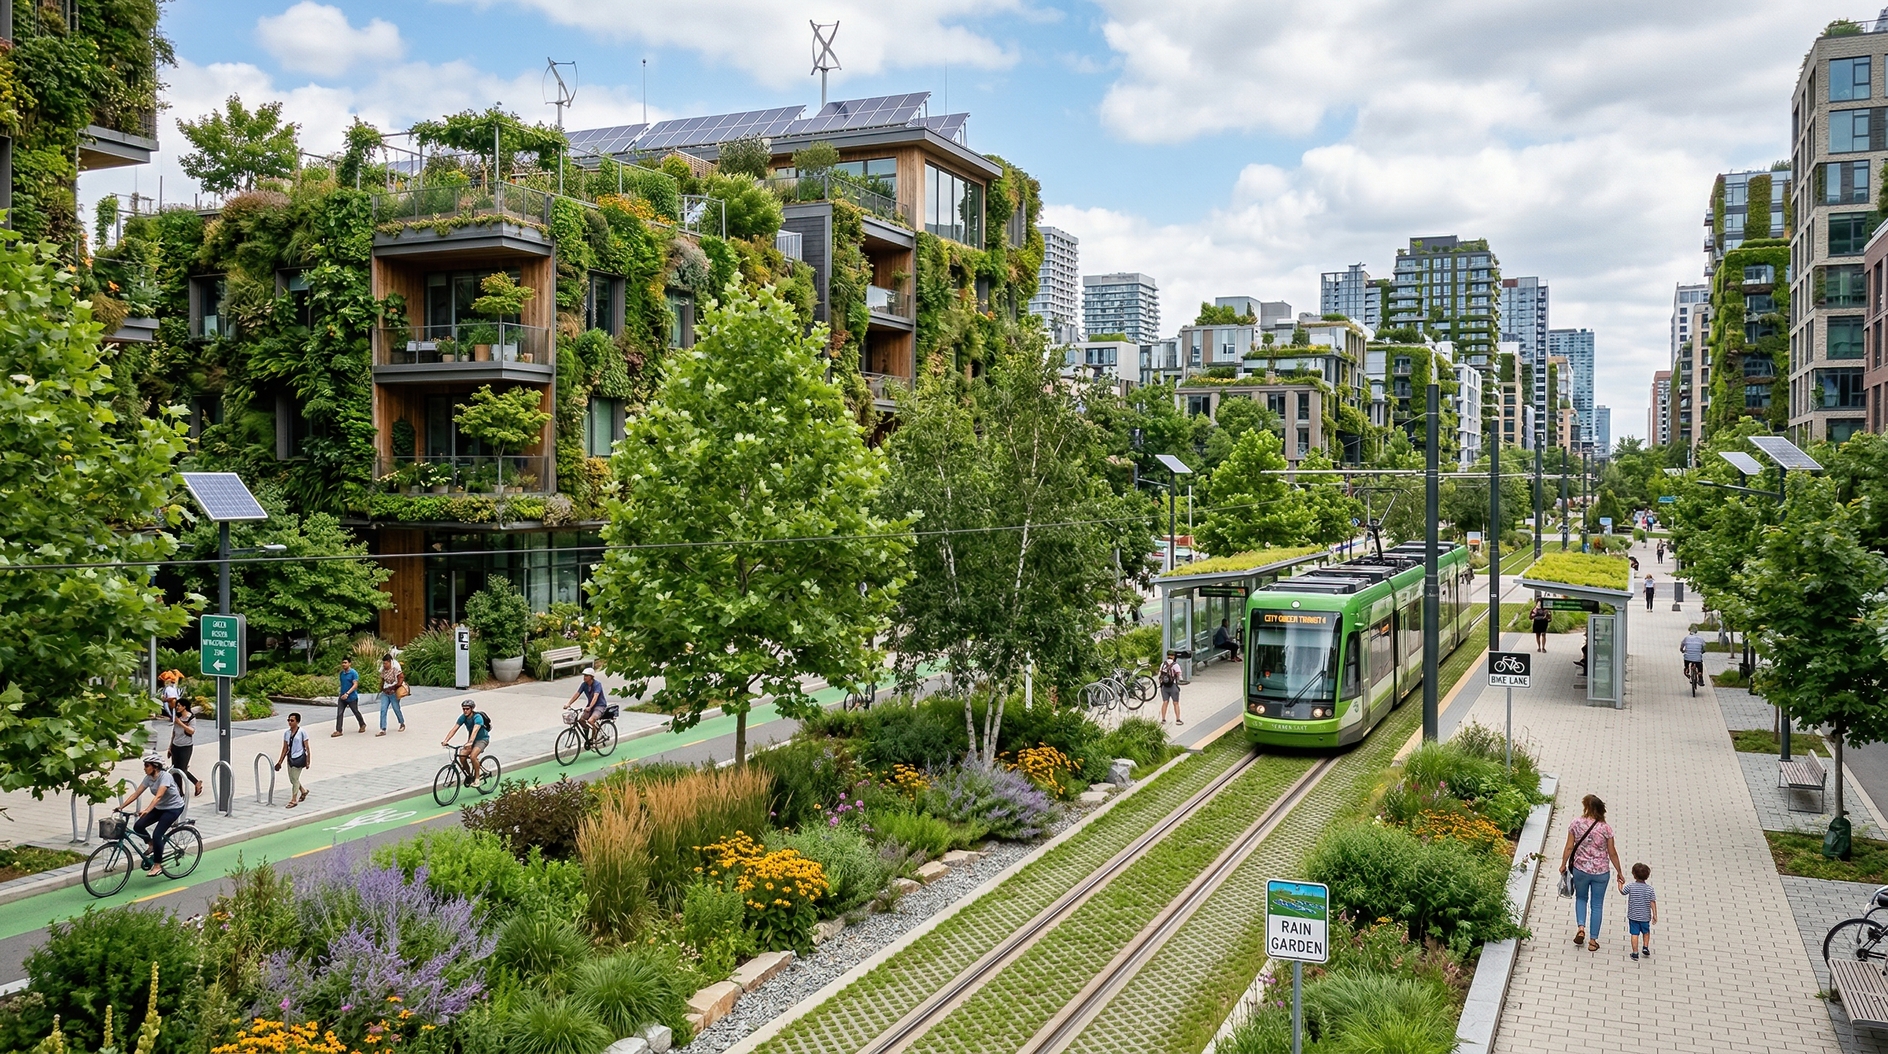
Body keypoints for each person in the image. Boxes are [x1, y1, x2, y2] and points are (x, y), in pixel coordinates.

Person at [1559, 793, 1625, 951]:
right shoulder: (1606, 829)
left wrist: (1563, 864)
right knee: (1597, 905)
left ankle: (1581, 928)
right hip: (1601, 872)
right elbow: (1612, 852)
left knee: (1581, 898)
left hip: (1580, 869)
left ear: (1586, 807)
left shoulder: (1576, 823)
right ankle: (1593, 941)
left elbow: (1569, 846)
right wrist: (1619, 872)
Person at [117, 755, 185, 877]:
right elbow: (136, 793)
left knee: (157, 834)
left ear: (155, 767)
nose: (144, 768)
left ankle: (157, 865)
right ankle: (152, 845)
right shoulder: (148, 778)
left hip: (173, 808)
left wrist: (147, 810)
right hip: (160, 808)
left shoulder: (165, 777)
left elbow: (158, 796)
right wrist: (121, 807)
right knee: (138, 826)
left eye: (147, 765)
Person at [443, 700, 490, 779]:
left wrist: (470, 742)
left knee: (473, 756)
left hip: (482, 740)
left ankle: (477, 778)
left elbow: (475, 731)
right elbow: (454, 729)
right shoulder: (463, 717)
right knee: (462, 756)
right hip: (471, 741)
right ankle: (470, 776)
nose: (465, 711)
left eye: (467, 709)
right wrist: (446, 740)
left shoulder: (478, 717)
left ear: (472, 709)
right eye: (463, 709)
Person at [167, 699, 204, 797]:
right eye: (177, 706)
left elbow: (192, 731)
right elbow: (174, 732)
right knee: (175, 770)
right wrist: (170, 747)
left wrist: (181, 724)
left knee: (182, 769)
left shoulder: (191, 717)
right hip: (176, 745)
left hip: (186, 746)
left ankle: (196, 783)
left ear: (184, 707)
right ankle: (180, 792)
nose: (177, 707)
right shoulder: (177, 717)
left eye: (179, 706)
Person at [273, 712, 311, 807]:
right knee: (293, 779)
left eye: (292, 720)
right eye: (288, 720)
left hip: (299, 758)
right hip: (290, 758)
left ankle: (294, 800)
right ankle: (304, 791)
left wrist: (308, 761)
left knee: (294, 779)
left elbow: (307, 747)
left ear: (297, 721)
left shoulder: (302, 732)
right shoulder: (287, 733)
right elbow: (285, 748)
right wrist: (280, 761)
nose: (290, 722)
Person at [1623, 862, 1657, 961]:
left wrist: (1619, 885)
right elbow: (1653, 902)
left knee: (1634, 934)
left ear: (1634, 874)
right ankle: (1645, 947)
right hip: (1645, 917)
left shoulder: (1631, 886)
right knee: (1646, 932)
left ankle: (1635, 953)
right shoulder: (1650, 889)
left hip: (1633, 916)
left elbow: (1623, 892)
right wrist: (1654, 914)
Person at [567, 668, 607, 741]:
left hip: (599, 706)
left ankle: (595, 730)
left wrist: (590, 707)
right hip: (590, 706)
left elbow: (595, 697)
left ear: (591, 677)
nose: (584, 677)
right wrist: (568, 703)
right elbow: (577, 694)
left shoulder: (597, 684)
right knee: (581, 720)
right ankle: (588, 735)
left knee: (590, 720)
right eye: (584, 675)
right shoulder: (584, 685)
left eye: (586, 675)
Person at [333, 658, 365, 737]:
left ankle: (362, 724)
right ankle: (338, 730)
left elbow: (355, 685)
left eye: (345, 662)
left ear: (350, 663)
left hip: (351, 697)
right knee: (339, 713)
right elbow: (342, 684)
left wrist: (347, 693)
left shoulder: (353, 673)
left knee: (355, 711)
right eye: (342, 663)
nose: (343, 664)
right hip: (342, 696)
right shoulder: (342, 674)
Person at [378, 653, 406, 736]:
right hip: (385, 693)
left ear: (390, 662)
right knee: (383, 709)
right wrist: (381, 688)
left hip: (394, 693)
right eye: (383, 663)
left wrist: (396, 686)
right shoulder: (383, 670)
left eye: (386, 663)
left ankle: (402, 723)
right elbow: (382, 680)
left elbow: (401, 678)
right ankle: (383, 728)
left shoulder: (395, 670)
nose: (384, 665)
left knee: (396, 708)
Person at [1157, 652, 1183, 726]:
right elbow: (1179, 675)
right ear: (1174, 656)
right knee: (1176, 703)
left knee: (1165, 702)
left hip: (1164, 687)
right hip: (1173, 686)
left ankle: (1163, 719)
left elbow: (1160, 675)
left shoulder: (1163, 664)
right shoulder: (1175, 665)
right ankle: (1178, 719)